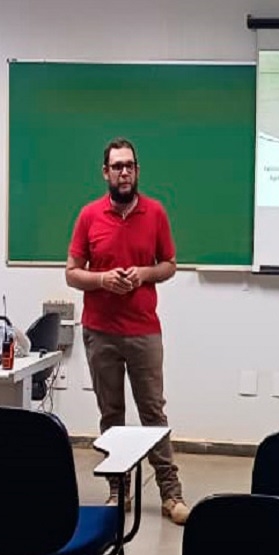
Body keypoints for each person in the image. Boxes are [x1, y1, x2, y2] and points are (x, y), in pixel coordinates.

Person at [65, 138, 190, 526]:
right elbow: (71, 273)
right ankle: (118, 488)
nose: (124, 172)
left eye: (130, 166)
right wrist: (102, 280)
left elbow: (169, 264)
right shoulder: (88, 216)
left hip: (143, 332)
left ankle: (171, 494)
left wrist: (143, 274)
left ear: (137, 170)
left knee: (153, 412)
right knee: (111, 415)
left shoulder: (155, 213)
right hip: (100, 332)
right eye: (117, 166)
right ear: (105, 172)